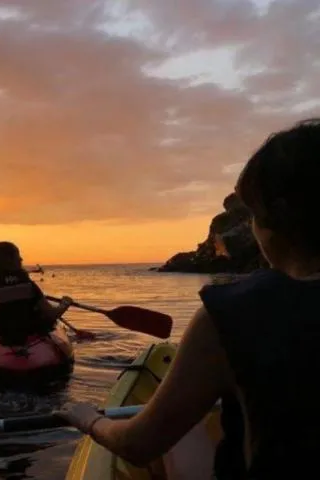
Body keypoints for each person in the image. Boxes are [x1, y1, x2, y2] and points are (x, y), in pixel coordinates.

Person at [57, 118, 320, 479]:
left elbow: (139, 445)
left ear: (271, 223)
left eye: (253, 216)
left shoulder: (231, 316)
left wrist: (88, 419)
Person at [0, 241, 73, 345]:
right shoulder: (28, 285)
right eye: (17, 256)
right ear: (10, 261)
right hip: (29, 331)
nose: (21, 259)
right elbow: (52, 314)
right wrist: (64, 304)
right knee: (42, 317)